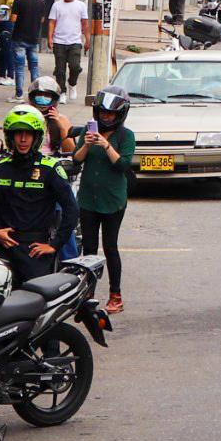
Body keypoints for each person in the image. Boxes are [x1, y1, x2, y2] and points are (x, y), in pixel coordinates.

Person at [0, 104, 81, 285]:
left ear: (37, 137)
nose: (23, 139)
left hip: (35, 250)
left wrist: (54, 245)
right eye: (18, 133)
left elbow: (72, 209)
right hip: (3, 248)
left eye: (28, 134)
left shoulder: (50, 168)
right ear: (10, 136)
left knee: (34, 305)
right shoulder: (1, 168)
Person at [77, 86, 136, 316]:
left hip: (113, 201)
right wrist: (88, 144)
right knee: (89, 248)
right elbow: (77, 158)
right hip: (88, 200)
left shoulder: (126, 136)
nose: (106, 117)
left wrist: (106, 145)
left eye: (110, 114)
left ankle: (115, 295)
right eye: (102, 113)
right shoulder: (88, 131)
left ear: (119, 114)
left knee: (110, 247)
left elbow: (123, 165)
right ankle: (87, 294)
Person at [6, 0, 47, 98]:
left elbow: (13, 18)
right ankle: (36, 94)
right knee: (34, 66)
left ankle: (19, 95)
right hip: (34, 38)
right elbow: (42, 19)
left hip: (19, 38)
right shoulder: (41, 0)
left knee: (19, 67)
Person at [49, 0, 91, 95]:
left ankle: (72, 83)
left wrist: (87, 39)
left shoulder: (81, 5)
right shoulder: (57, 5)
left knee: (75, 66)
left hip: (75, 41)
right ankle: (62, 92)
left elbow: (85, 24)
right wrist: (50, 38)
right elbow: (52, 22)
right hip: (59, 41)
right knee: (60, 70)